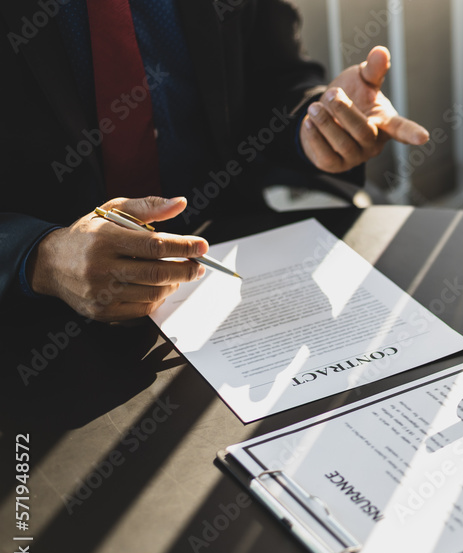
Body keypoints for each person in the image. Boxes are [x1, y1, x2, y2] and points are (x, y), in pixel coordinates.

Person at [0, 0, 428, 322]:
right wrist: (42, 258)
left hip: (220, 260)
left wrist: (317, 121)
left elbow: (276, 78)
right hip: (39, 309)